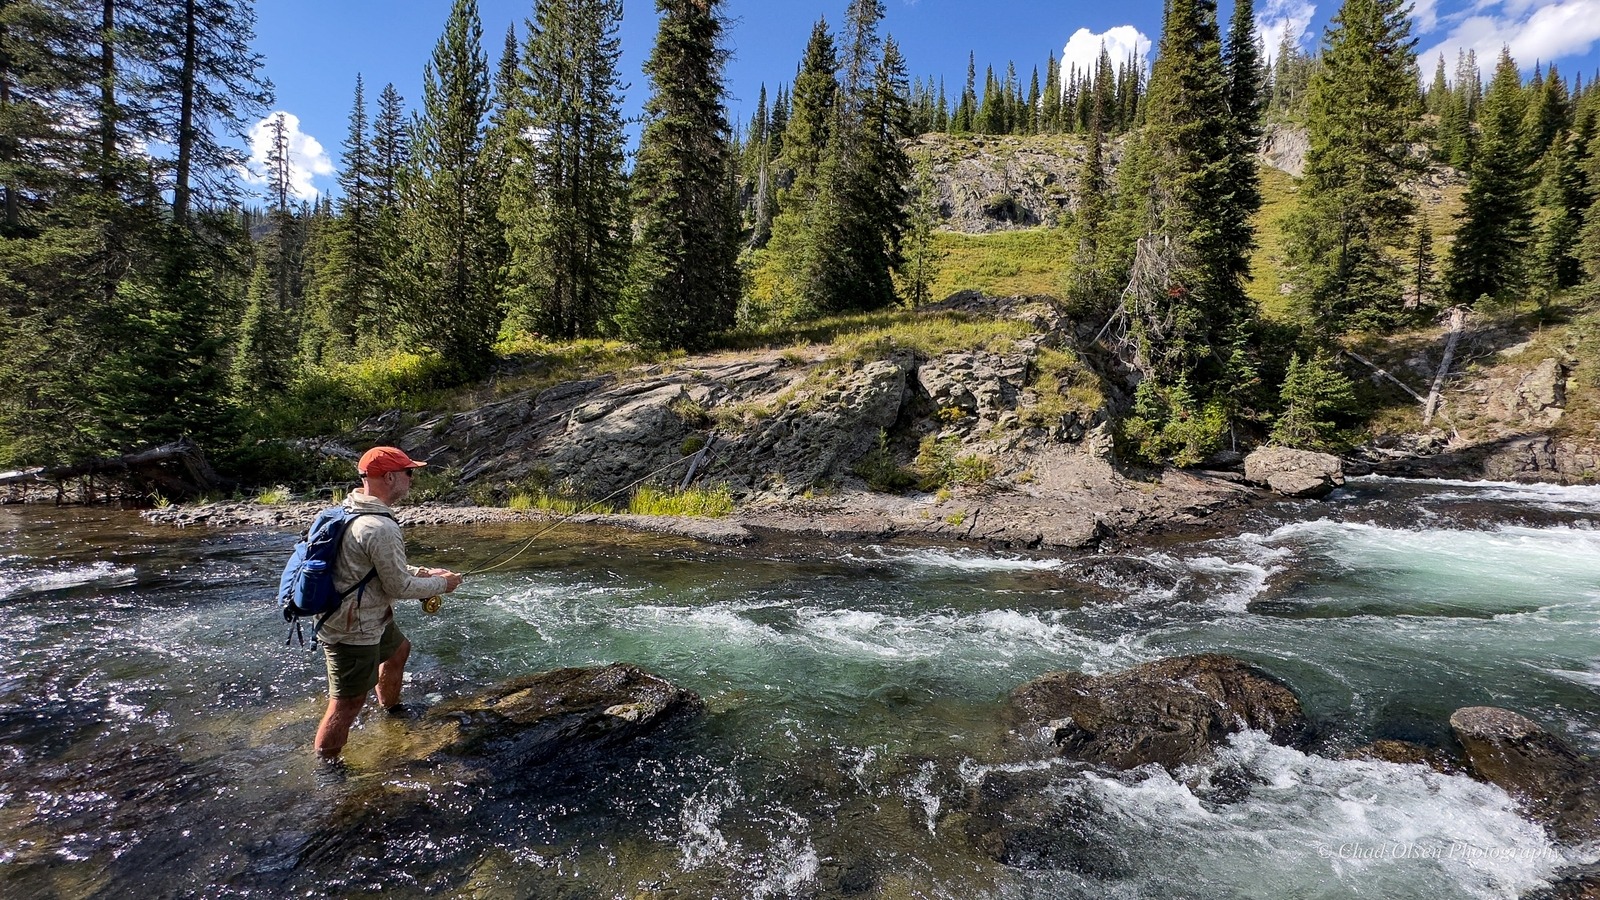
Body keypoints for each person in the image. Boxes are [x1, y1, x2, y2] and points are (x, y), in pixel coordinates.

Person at [314, 445, 463, 763]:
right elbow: (398, 585)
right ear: (391, 477)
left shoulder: (352, 511)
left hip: (369, 614)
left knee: (398, 650)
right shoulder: (379, 527)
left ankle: (392, 712)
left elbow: (373, 570)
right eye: (409, 473)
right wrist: (442, 585)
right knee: (346, 705)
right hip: (352, 627)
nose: (412, 479)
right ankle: (327, 767)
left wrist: (424, 572)